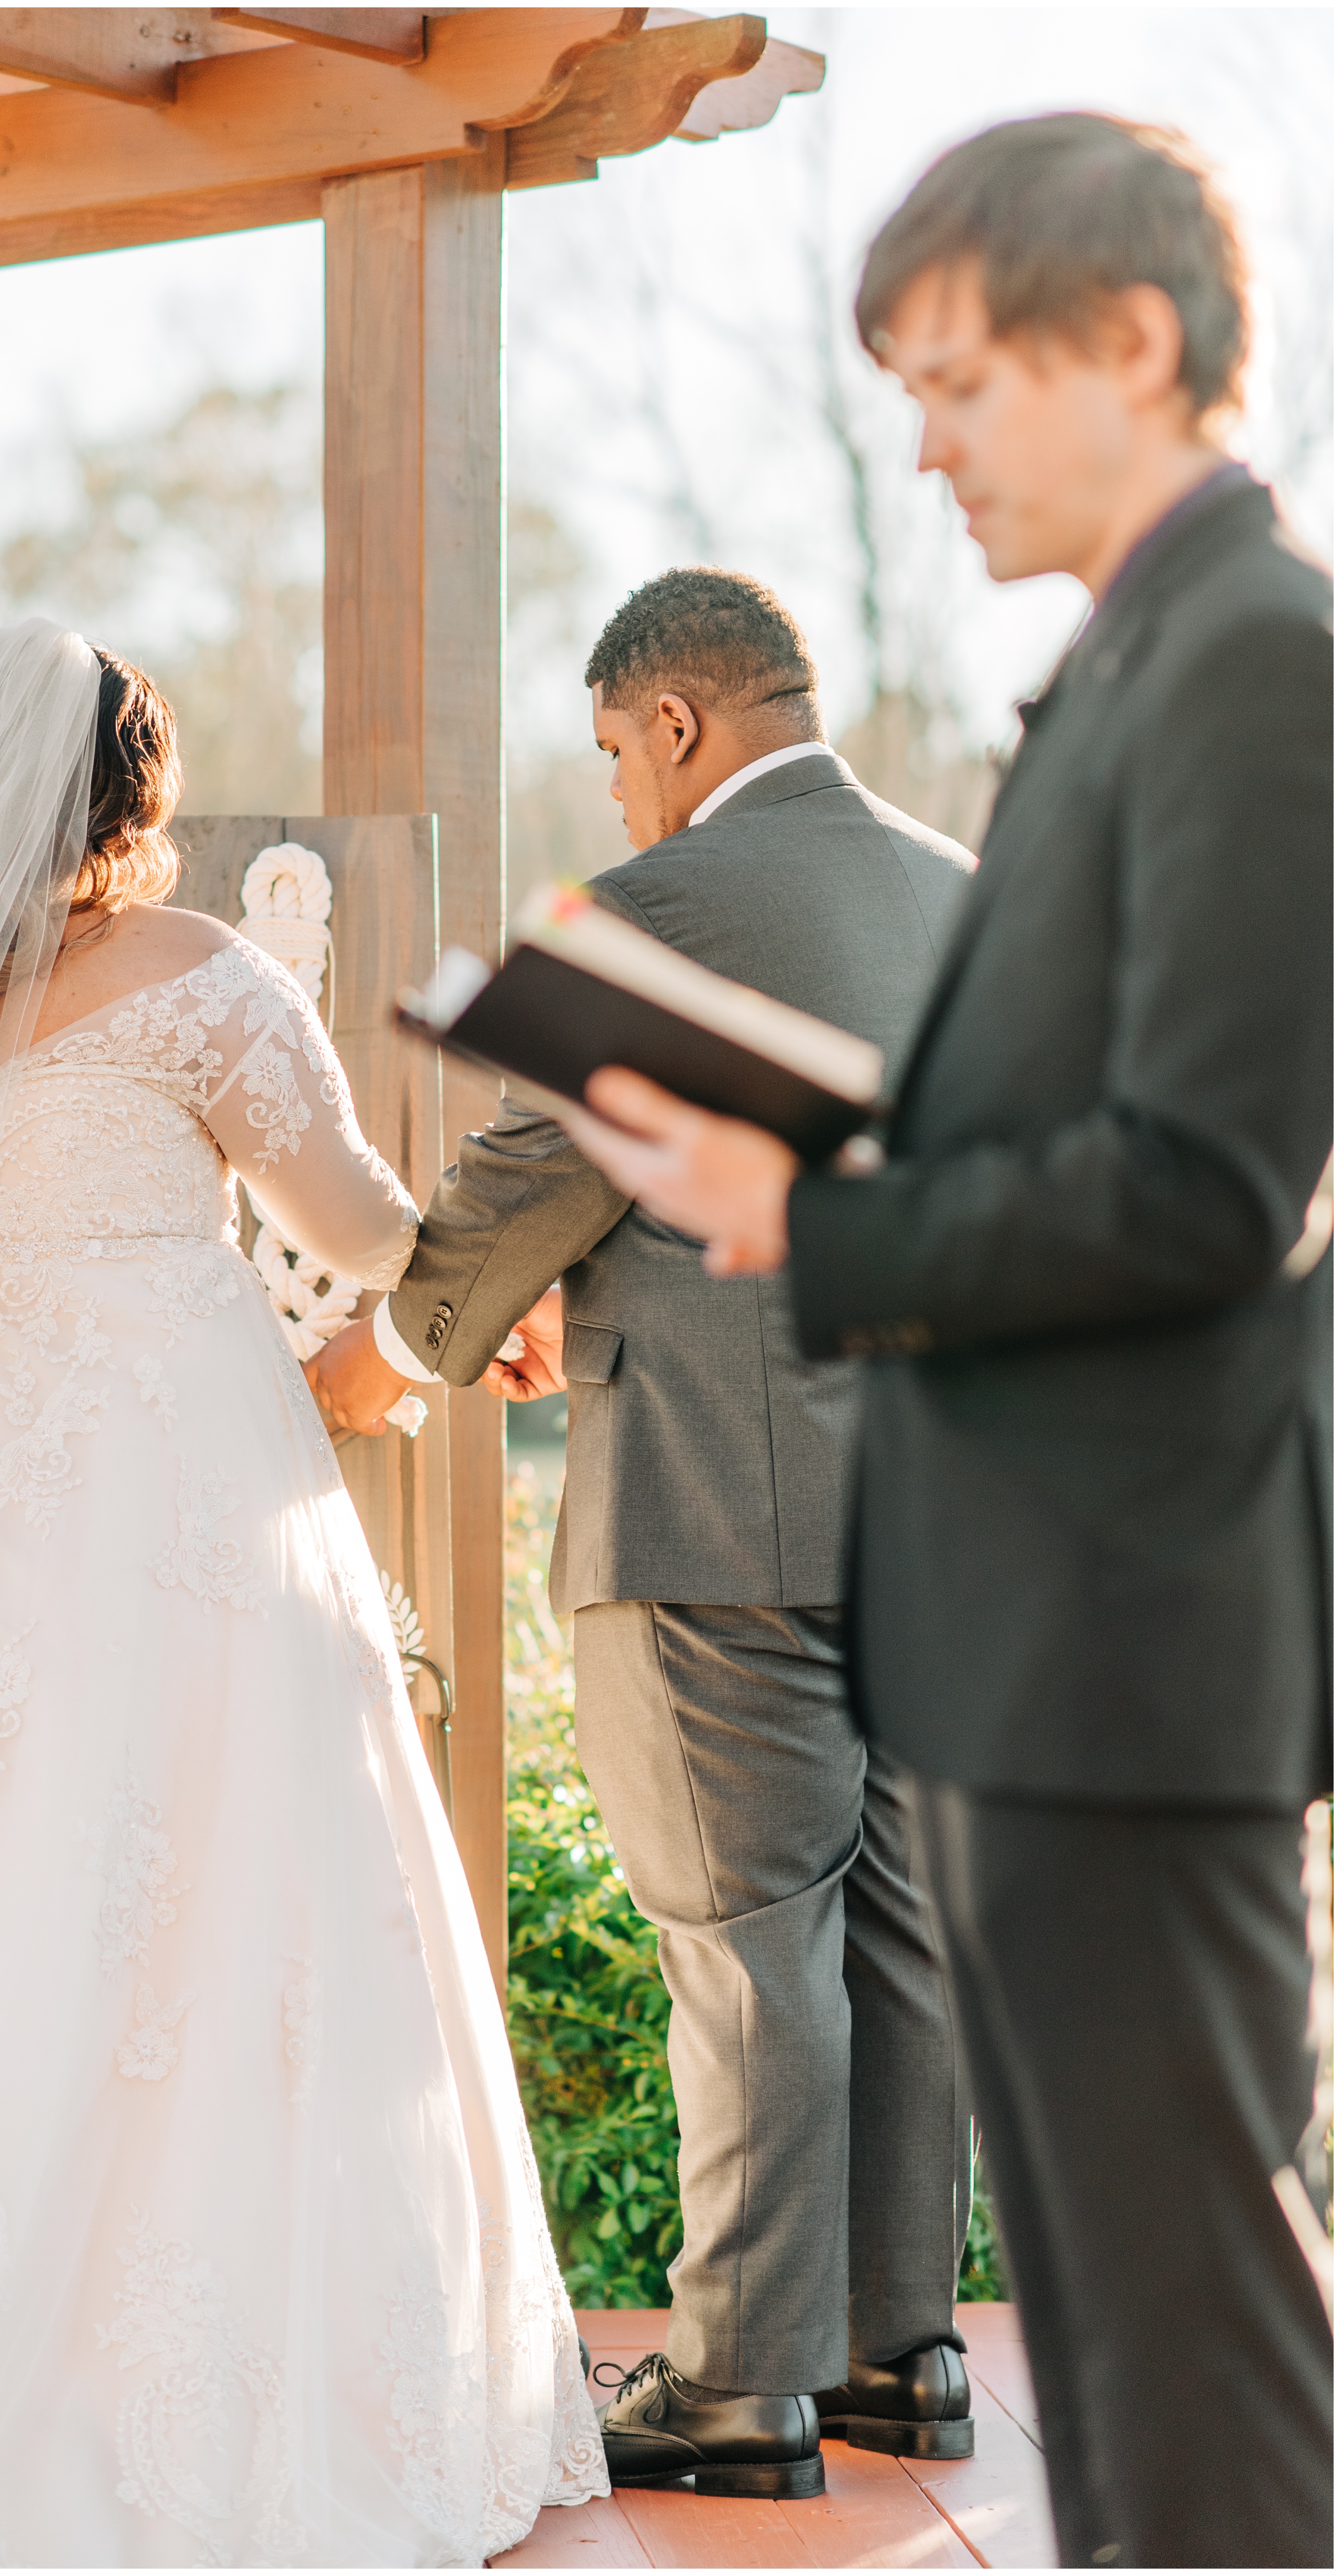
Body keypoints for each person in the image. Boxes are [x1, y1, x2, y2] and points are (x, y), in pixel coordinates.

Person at [0, 621, 606, 2568]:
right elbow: (362, 1232)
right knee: (212, 1908)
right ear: (133, 799)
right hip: (167, 1508)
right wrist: (487, 1312)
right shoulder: (193, 975)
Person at [555, 117, 1333, 2570]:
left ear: (1127, 341)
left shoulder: (1256, 654)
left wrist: (823, 1216)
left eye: (958, 377)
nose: (919, 441)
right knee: (1108, 2365)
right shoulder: (1114, 670)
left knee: (1194, 2357)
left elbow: (1216, 1183)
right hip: (1037, 1637)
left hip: (1139, 1641)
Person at [308, 570, 977, 2499]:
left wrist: (406, 1343)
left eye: (612, 753)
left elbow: (536, 1164)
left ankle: (733, 2381)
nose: (610, 794)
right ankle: (898, 2353)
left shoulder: (657, 909)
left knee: (742, 1930)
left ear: (675, 723)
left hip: (716, 1492)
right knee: (898, 1930)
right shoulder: (965, 891)